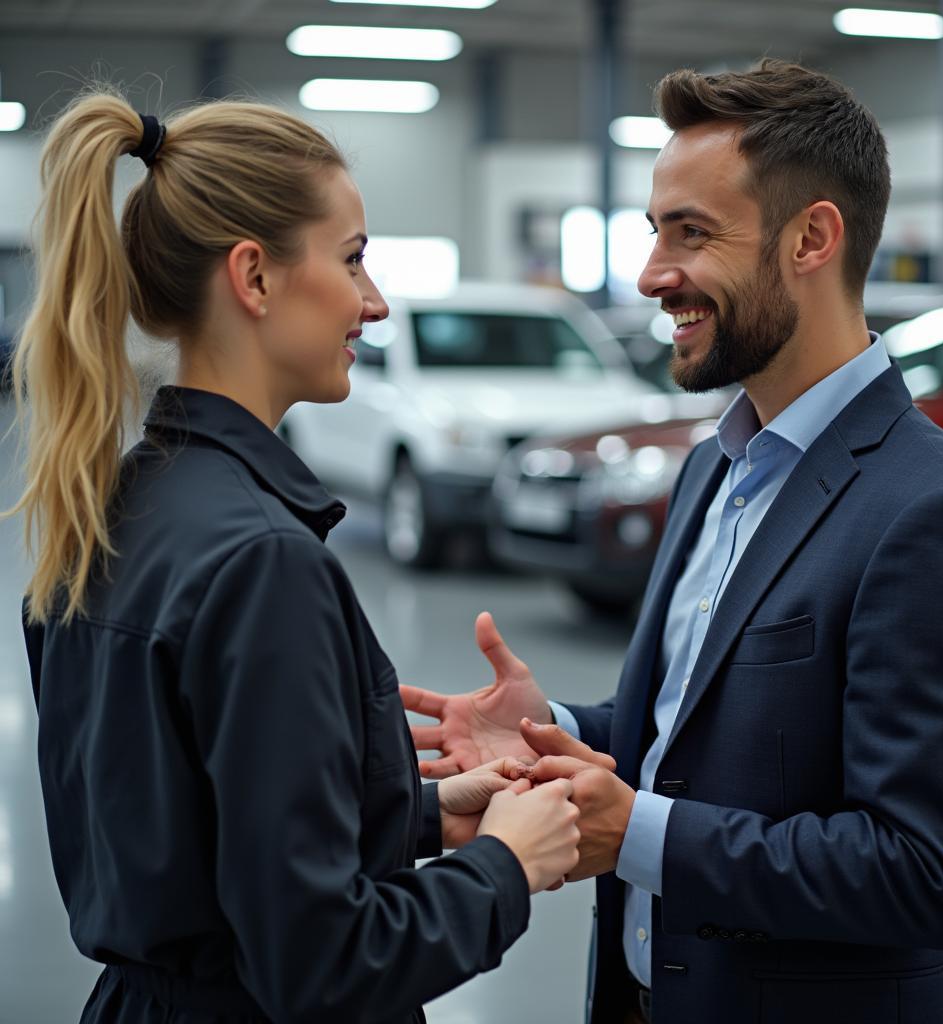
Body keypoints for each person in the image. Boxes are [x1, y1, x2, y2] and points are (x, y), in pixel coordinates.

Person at [401, 60, 943, 1024]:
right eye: (655, 232)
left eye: (690, 234)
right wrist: (558, 731)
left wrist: (637, 833)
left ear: (812, 238)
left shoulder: (933, 513)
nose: (652, 275)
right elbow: (702, 734)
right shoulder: (715, 468)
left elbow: (925, 876)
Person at [10, 92, 583, 1024]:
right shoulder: (263, 563)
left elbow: (195, 834)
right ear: (255, 277)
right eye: (353, 258)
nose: (375, 300)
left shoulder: (117, 505)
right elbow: (321, 965)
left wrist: (428, 818)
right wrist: (504, 866)